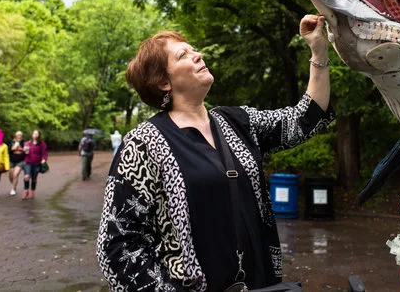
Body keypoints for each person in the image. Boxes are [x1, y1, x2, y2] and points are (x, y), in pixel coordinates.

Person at [97, 15, 333, 291]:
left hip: (260, 284)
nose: (197, 55)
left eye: (193, 49)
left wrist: (319, 50)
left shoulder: (238, 122)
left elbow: (305, 119)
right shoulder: (142, 144)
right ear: (163, 82)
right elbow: (116, 247)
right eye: (183, 54)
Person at [22, 130, 47, 199]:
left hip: (37, 163)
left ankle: (32, 191)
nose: (35, 135)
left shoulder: (42, 144)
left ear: (39, 135)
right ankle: (25, 191)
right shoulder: (27, 143)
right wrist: (24, 151)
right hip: (27, 162)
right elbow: (23, 153)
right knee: (26, 176)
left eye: (37, 134)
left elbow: (44, 154)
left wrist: (44, 160)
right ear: (32, 134)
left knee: (34, 178)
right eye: (34, 133)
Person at [8, 131, 26, 195]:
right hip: (12, 161)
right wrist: (13, 148)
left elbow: (26, 152)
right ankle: (14, 184)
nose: (19, 136)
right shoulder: (11, 143)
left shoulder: (24, 143)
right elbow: (8, 151)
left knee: (15, 174)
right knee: (11, 176)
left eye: (20, 135)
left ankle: (13, 189)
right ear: (15, 136)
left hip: (20, 161)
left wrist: (24, 149)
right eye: (18, 135)